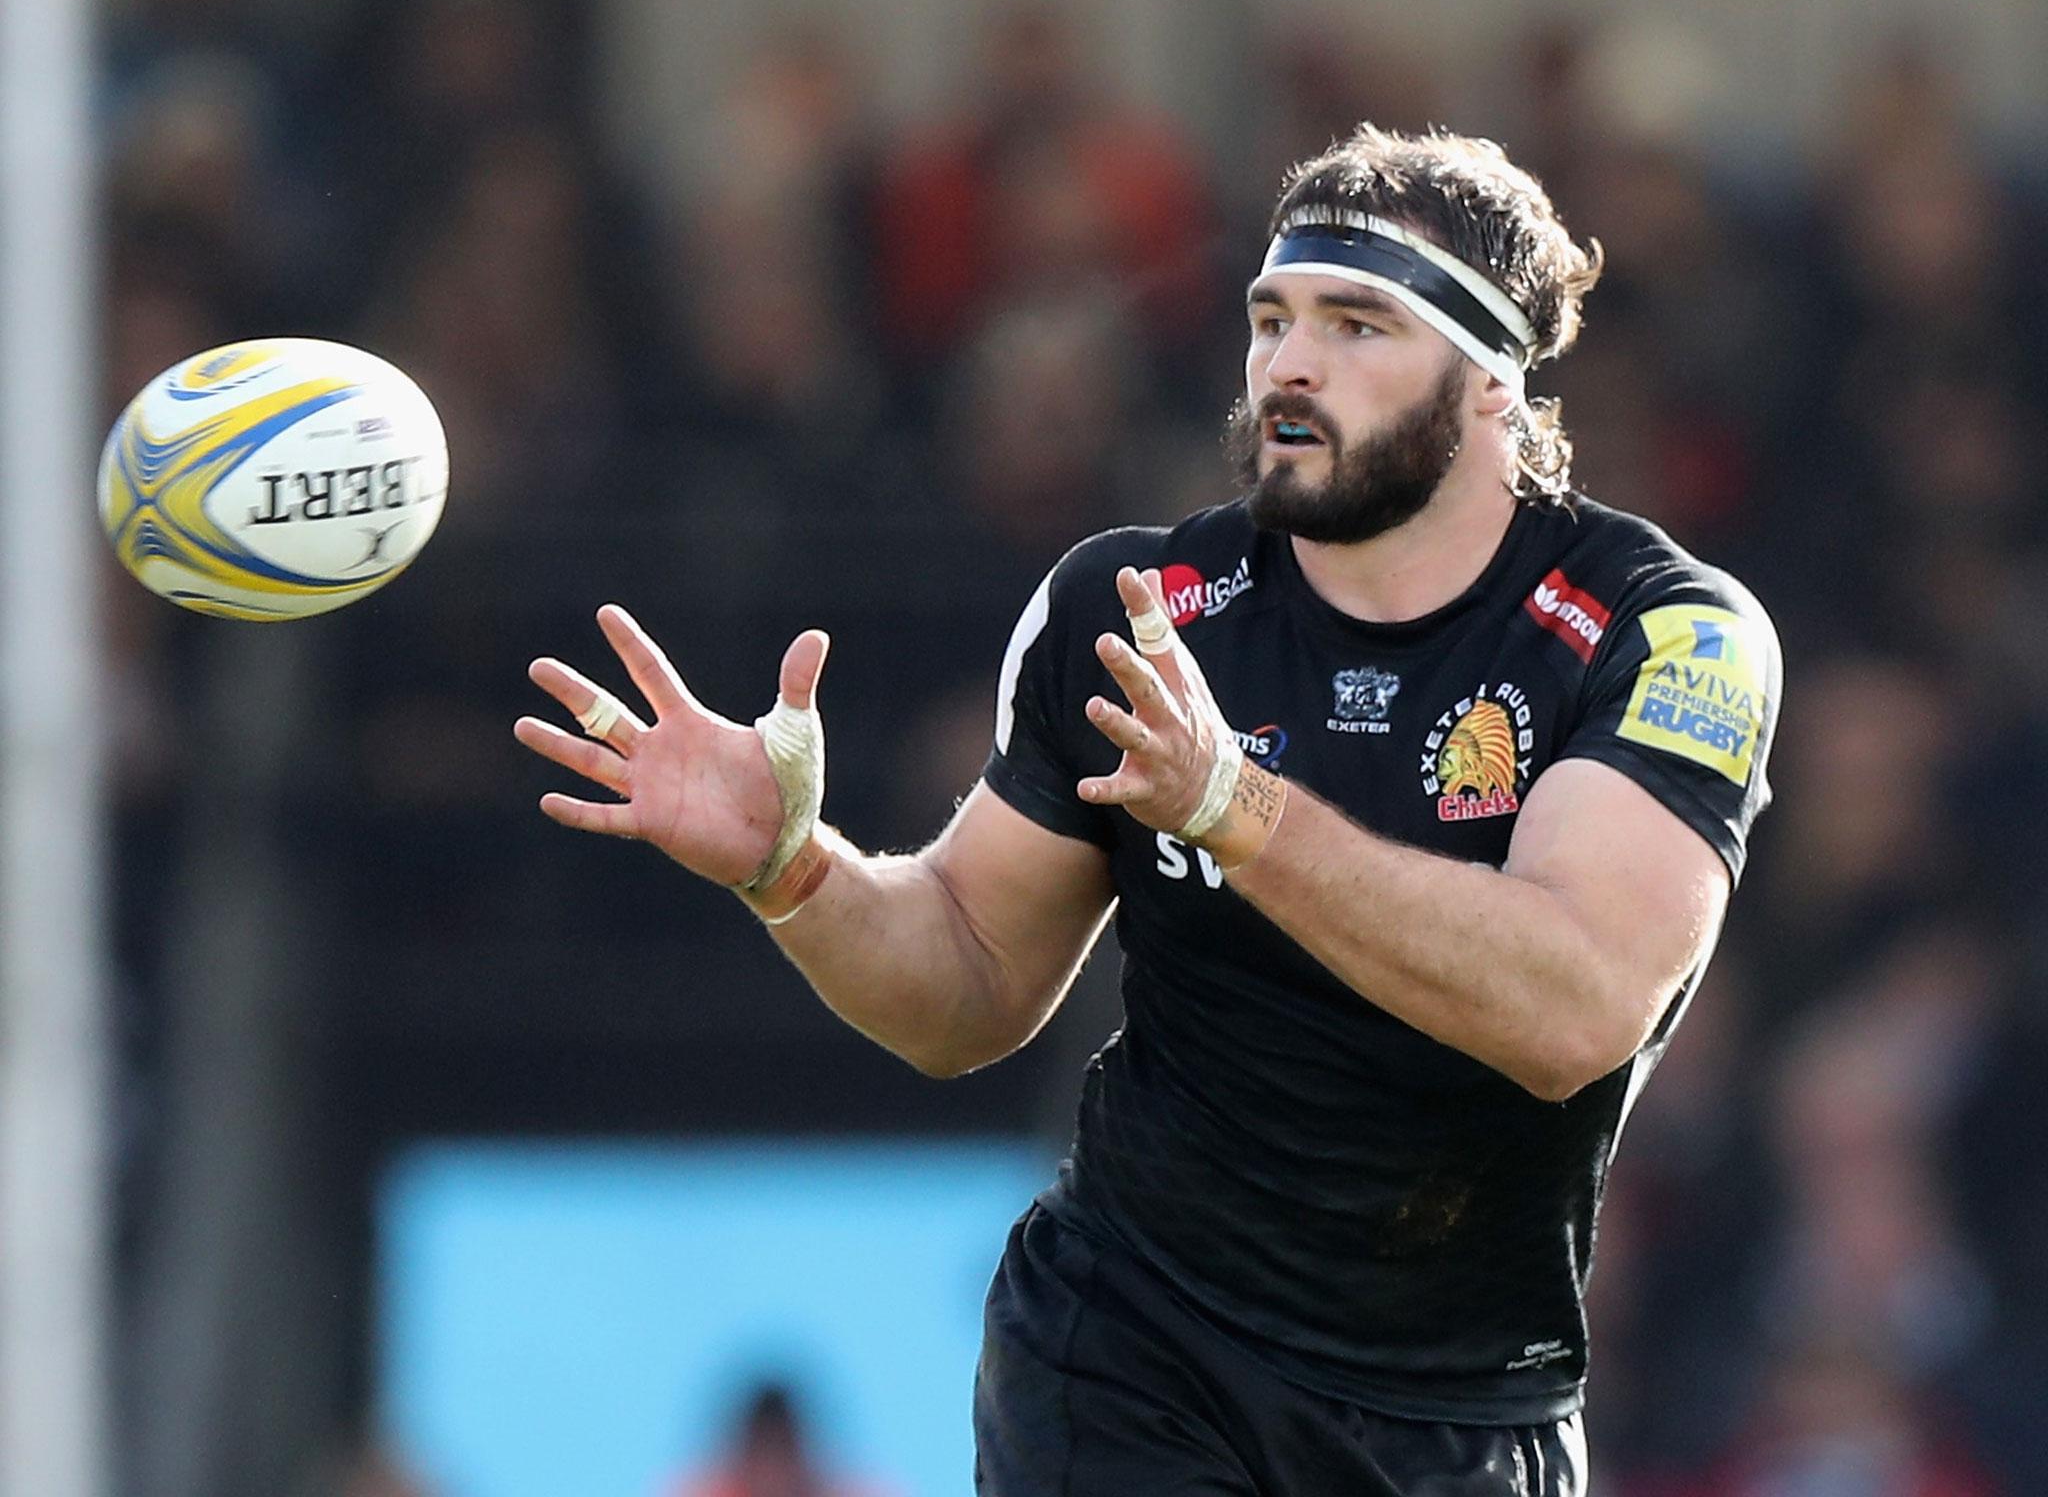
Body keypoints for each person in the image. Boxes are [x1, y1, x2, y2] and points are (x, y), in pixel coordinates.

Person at [515, 124, 1781, 1496]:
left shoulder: (1662, 634)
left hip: (1466, 1404)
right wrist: (795, 871)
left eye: (1358, 325)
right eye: (1271, 318)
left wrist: (1239, 806)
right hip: (1136, 1346)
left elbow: (1575, 1009)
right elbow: (969, 990)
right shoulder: (1137, 612)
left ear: (1490, 384)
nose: (1290, 365)